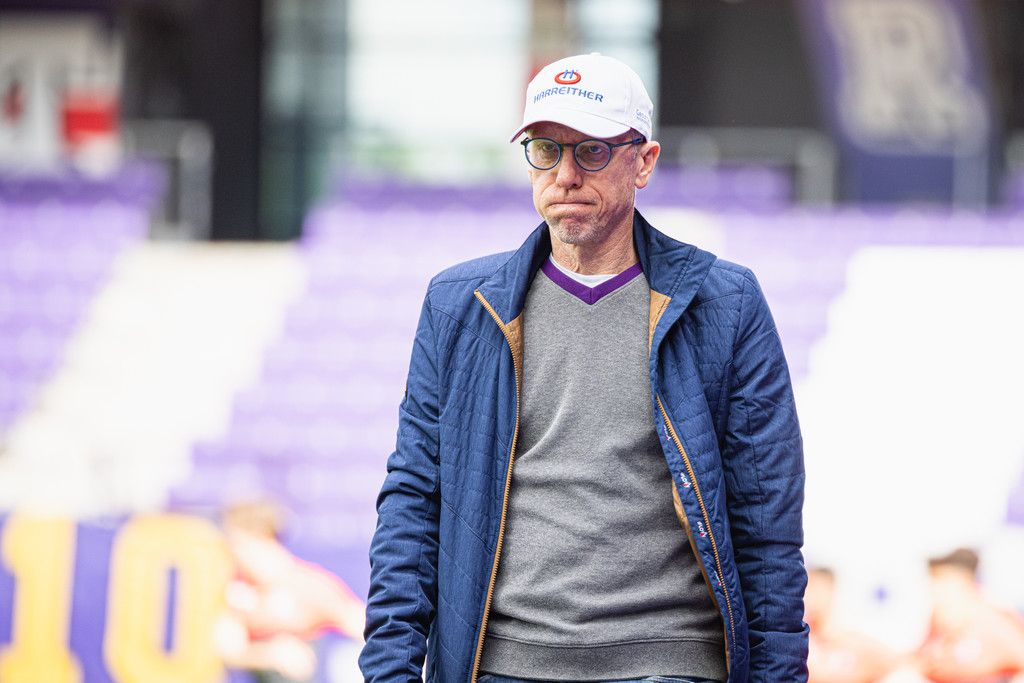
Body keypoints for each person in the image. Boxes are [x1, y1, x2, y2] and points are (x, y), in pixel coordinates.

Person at [360, 53, 808, 682]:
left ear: (644, 162)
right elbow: (412, 503)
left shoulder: (725, 303)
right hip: (502, 666)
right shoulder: (459, 304)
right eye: (546, 150)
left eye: (591, 151)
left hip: (668, 663)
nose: (565, 175)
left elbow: (767, 527)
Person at [914, 548, 1024, 683]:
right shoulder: (938, 625)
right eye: (933, 582)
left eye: (941, 582)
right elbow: (919, 663)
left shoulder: (994, 623)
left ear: (964, 583)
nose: (934, 590)